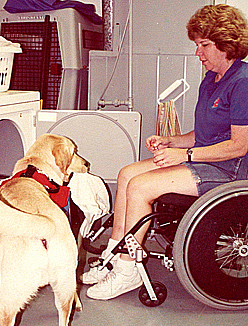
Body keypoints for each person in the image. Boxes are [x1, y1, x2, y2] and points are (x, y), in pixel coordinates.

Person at [82, 4, 248, 300]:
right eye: (197, 45)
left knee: (141, 185)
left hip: (231, 169)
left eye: (204, 45)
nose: (199, 53)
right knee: (127, 173)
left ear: (227, 43)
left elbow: (239, 145)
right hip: (207, 160)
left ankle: (127, 270)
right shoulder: (212, 79)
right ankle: (113, 254)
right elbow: (207, 133)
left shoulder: (243, 82)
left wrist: (186, 157)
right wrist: (173, 142)